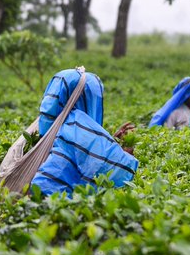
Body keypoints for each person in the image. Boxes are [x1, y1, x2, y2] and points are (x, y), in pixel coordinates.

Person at [30, 68, 139, 196]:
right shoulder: (75, 128)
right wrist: (124, 153)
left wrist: (109, 141)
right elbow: (117, 170)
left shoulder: (38, 129)